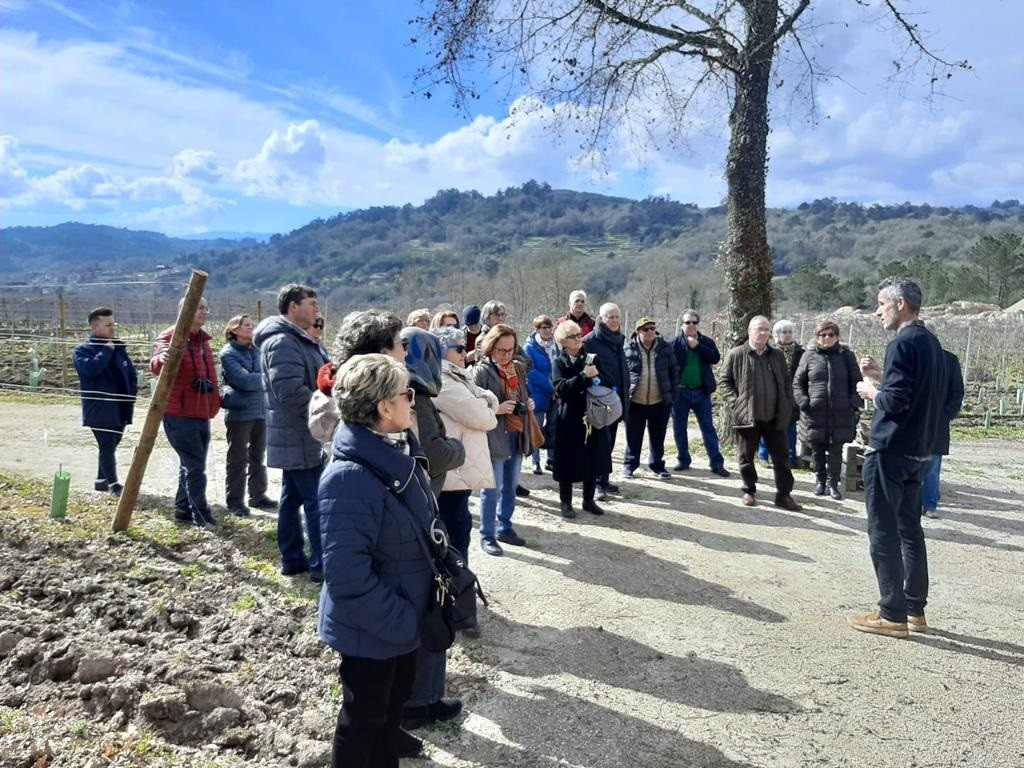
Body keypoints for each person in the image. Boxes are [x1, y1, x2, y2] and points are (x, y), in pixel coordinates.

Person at [318, 354, 436, 765]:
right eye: (407, 393)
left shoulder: (396, 448)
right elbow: (348, 578)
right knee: (363, 721)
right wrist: (404, 622)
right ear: (384, 407)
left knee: (389, 713)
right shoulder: (351, 476)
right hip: (376, 626)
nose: (413, 401)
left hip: (401, 621)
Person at [849, 279, 949, 638]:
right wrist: (883, 377)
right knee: (911, 531)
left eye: (881, 304)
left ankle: (891, 613)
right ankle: (914, 610)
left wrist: (871, 389)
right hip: (919, 452)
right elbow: (922, 393)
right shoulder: (931, 344)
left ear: (901, 304)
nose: (878, 311)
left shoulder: (902, 343)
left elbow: (894, 402)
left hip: (890, 450)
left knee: (882, 530)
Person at [398, 327, 466, 731]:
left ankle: (422, 698)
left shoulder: (413, 394)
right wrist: (458, 447)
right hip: (422, 511)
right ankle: (420, 701)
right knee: (428, 605)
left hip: (421, 508)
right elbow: (433, 455)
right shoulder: (417, 398)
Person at [253, 284, 329, 582]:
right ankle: (321, 565)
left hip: (303, 433)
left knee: (291, 499)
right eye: (311, 303)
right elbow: (291, 393)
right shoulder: (282, 342)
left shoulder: (300, 340)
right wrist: (329, 406)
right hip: (300, 434)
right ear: (293, 307)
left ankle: (292, 558)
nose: (316, 309)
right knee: (316, 502)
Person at [719, 315, 801, 511]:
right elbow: (724, 382)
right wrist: (736, 403)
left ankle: (783, 495)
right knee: (746, 457)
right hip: (748, 416)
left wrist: (788, 403)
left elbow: (786, 382)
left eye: (766, 329)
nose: (763, 333)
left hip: (775, 416)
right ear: (749, 332)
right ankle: (749, 490)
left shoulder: (778, 355)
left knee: (782, 457)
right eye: (759, 329)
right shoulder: (736, 354)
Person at [151, 297, 220, 526]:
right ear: (185, 310)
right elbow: (157, 361)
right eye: (199, 307)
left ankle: (182, 510)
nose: (204, 312)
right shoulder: (170, 336)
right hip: (178, 414)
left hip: (201, 412)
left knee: (190, 464)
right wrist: (161, 359)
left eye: (206, 307)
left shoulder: (203, 341)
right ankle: (200, 514)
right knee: (195, 467)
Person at [472, 324, 535, 555]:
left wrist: (528, 404)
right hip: (494, 437)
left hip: (516, 433)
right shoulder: (480, 371)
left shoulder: (517, 368)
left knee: (510, 486)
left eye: (510, 350)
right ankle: (487, 535)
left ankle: (505, 527)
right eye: (501, 350)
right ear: (490, 347)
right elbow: (474, 406)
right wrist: (497, 409)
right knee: (492, 489)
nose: (506, 355)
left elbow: (523, 395)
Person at [310, 310, 407, 445]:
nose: (406, 352)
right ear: (384, 354)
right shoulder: (368, 404)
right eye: (403, 344)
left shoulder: (338, 393)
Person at [792, 320, 862, 500]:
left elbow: (857, 382)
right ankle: (820, 482)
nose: (827, 338)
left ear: (837, 337)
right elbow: (797, 383)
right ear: (817, 337)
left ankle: (833, 484)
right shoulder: (809, 356)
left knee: (836, 451)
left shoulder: (847, 356)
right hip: (815, 412)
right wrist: (804, 402)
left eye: (831, 334)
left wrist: (853, 403)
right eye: (822, 335)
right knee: (817, 449)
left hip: (840, 412)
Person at [73, 307, 138, 497]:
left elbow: (131, 373)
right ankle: (114, 484)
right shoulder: (82, 351)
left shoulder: (119, 348)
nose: (113, 328)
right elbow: (92, 369)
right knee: (107, 444)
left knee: (113, 443)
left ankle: (101, 480)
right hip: (99, 408)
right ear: (94, 327)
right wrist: (106, 350)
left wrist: (131, 395)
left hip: (121, 407)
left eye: (113, 324)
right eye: (108, 325)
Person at [551, 320, 611, 518]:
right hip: (568, 418)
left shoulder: (593, 358)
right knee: (567, 462)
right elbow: (561, 389)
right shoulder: (559, 362)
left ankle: (588, 500)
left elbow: (607, 383)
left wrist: (596, 378)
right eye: (572, 336)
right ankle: (566, 503)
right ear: (562, 342)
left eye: (579, 335)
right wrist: (583, 377)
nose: (578, 339)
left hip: (591, 415)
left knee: (592, 459)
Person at [219, 314, 273, 517]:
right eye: (246, 325)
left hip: (261, 410)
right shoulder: (228, 354)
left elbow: (263, 375)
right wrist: (258, 378)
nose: (251, 328)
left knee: (258, 456)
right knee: (238, 458)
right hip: (240, 413)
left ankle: (258, 496)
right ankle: (235, 501)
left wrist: (254, 376)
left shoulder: (258, 350)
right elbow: (244, 381)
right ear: (234, 329)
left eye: (252, 325)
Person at [670, 310, 729, 477]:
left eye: (694, 322)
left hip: (702, 392)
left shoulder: (706, 342)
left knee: (708, 428)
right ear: (682, 324)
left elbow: (715, 358)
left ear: (698, 324)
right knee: (679, 428)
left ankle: (717, 463)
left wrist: (697, 346)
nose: (691, 325)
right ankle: (683, 459)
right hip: (680, 393)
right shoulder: (674, 344)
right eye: (687, 322)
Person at [583, 302, 629, 501]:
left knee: (609, 444)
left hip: (617, 400)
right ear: (601, 319)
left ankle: (604, 479)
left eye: (617, 317)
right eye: (610, 317)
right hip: (599, 402)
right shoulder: (590, 342)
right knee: (598, 444)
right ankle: (596, 485)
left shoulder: (619, 340)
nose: (615, 321)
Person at [623, 317, 677, 479]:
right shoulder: (627, 349)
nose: (650, 332)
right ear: (638, 332)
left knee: (658, 437)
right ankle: (630, 465)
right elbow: (623, 374)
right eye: (646, 329)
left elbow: (674, 373)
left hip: (659, 402)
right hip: (635, 402)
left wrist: (672, 397)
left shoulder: (665, 348)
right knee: (633, 436)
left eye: (653, 328)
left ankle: (657, 466)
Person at [920, 320, 964, 519]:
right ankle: (911, 505)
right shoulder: (913, 358)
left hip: (937, 422)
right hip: (912, 421)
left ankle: (929, 505)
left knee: (932, 466)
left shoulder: (949, 360)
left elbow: (956, 392)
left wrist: (946, 414)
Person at [758, 319, 803, 466]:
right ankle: (764, 455)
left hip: (791, 395)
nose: (788, 335)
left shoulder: (800, 353)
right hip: (771, 394)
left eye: (790, 332)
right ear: (777, 334)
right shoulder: (768, 352)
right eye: (784, 332)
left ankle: (790, 456)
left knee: (790, 427)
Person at [523, 314, 557, 474]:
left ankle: (551, 459)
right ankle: (535, 461)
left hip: (554, 395)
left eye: (550, 326)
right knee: (536, 427)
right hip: (538, 394)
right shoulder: (529, 347)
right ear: (537, 329)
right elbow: (531, 372)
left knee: (552, 426)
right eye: (544, 327)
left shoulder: (556, 345)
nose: (548, 330)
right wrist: (552, 386)